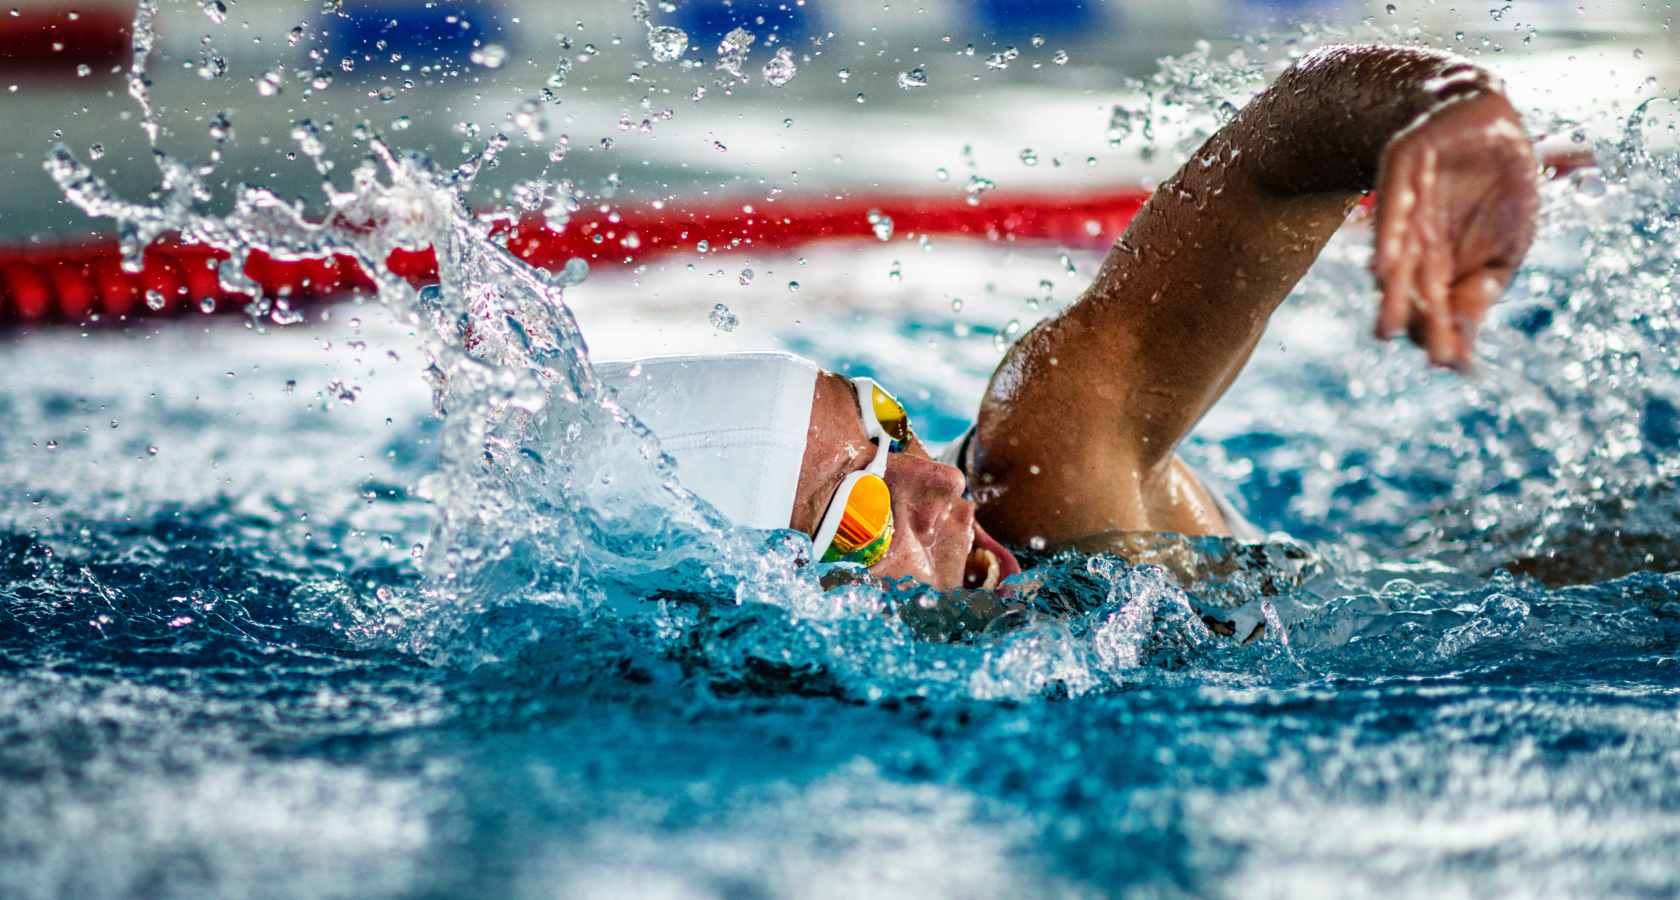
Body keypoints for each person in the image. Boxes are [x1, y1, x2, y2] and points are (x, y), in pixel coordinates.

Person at [598, 43, 1540, 601]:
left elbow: (1271, 167)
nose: (941, 485)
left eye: (886, 427)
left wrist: (1444, 106)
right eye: (863, 509)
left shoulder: (1046, 480)